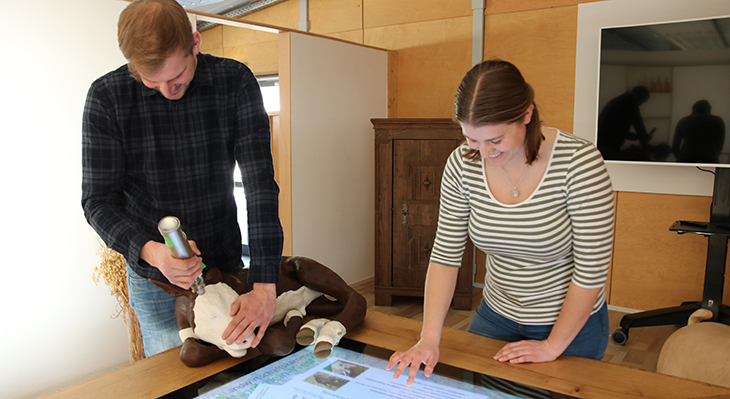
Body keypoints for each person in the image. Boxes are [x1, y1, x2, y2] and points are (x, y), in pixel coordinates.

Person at [386, 60, 614, 387]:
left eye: (495, 140)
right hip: (496, 314)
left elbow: (591, 271)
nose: (484, 152)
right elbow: (445, 256)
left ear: (527, 114)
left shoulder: (579, 164)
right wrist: (429, 339)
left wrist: (552, 345)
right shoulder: (463, 164)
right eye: (472, 140)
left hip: (568, 325)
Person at [81, 0, 283, 357]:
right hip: (156, 282)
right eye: (151, 81)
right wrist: (153, 252)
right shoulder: (106, 98)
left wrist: (264, 285)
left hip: (226, 264)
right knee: (175, 380)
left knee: (235, 372)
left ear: (194, 43)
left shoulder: (234, 82)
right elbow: (97, 201)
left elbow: (260, 186)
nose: (165, 91)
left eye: (176, 78)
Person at [597, 86, 651, 160]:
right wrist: (643, 142)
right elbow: (639, 125)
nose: (640, 104)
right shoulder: (630, 103)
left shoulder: (623, 100)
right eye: (642, 101)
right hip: (608, 144)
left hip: (604, 142)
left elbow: (618, 129)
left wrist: (638, 137)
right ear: (638, 95)